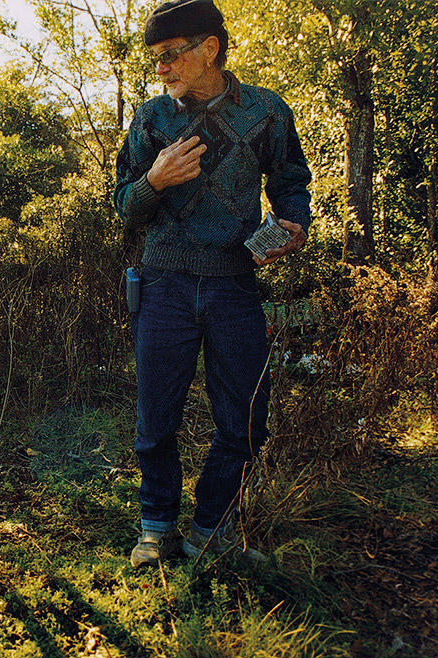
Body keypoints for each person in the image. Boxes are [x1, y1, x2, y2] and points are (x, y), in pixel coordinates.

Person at [113, 0, 311, 568]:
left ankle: (209, 529)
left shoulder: (268, 112)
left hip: (234, 286)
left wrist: (294, 225)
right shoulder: (151, 120)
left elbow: (292, 182)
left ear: (210, 49)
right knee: (157, 416)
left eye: (171, 56)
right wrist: (151, 181)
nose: (162, 70)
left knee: (245, 418)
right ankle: (155, 529)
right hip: (162, 285)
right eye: (155, 60)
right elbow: (124, 204)